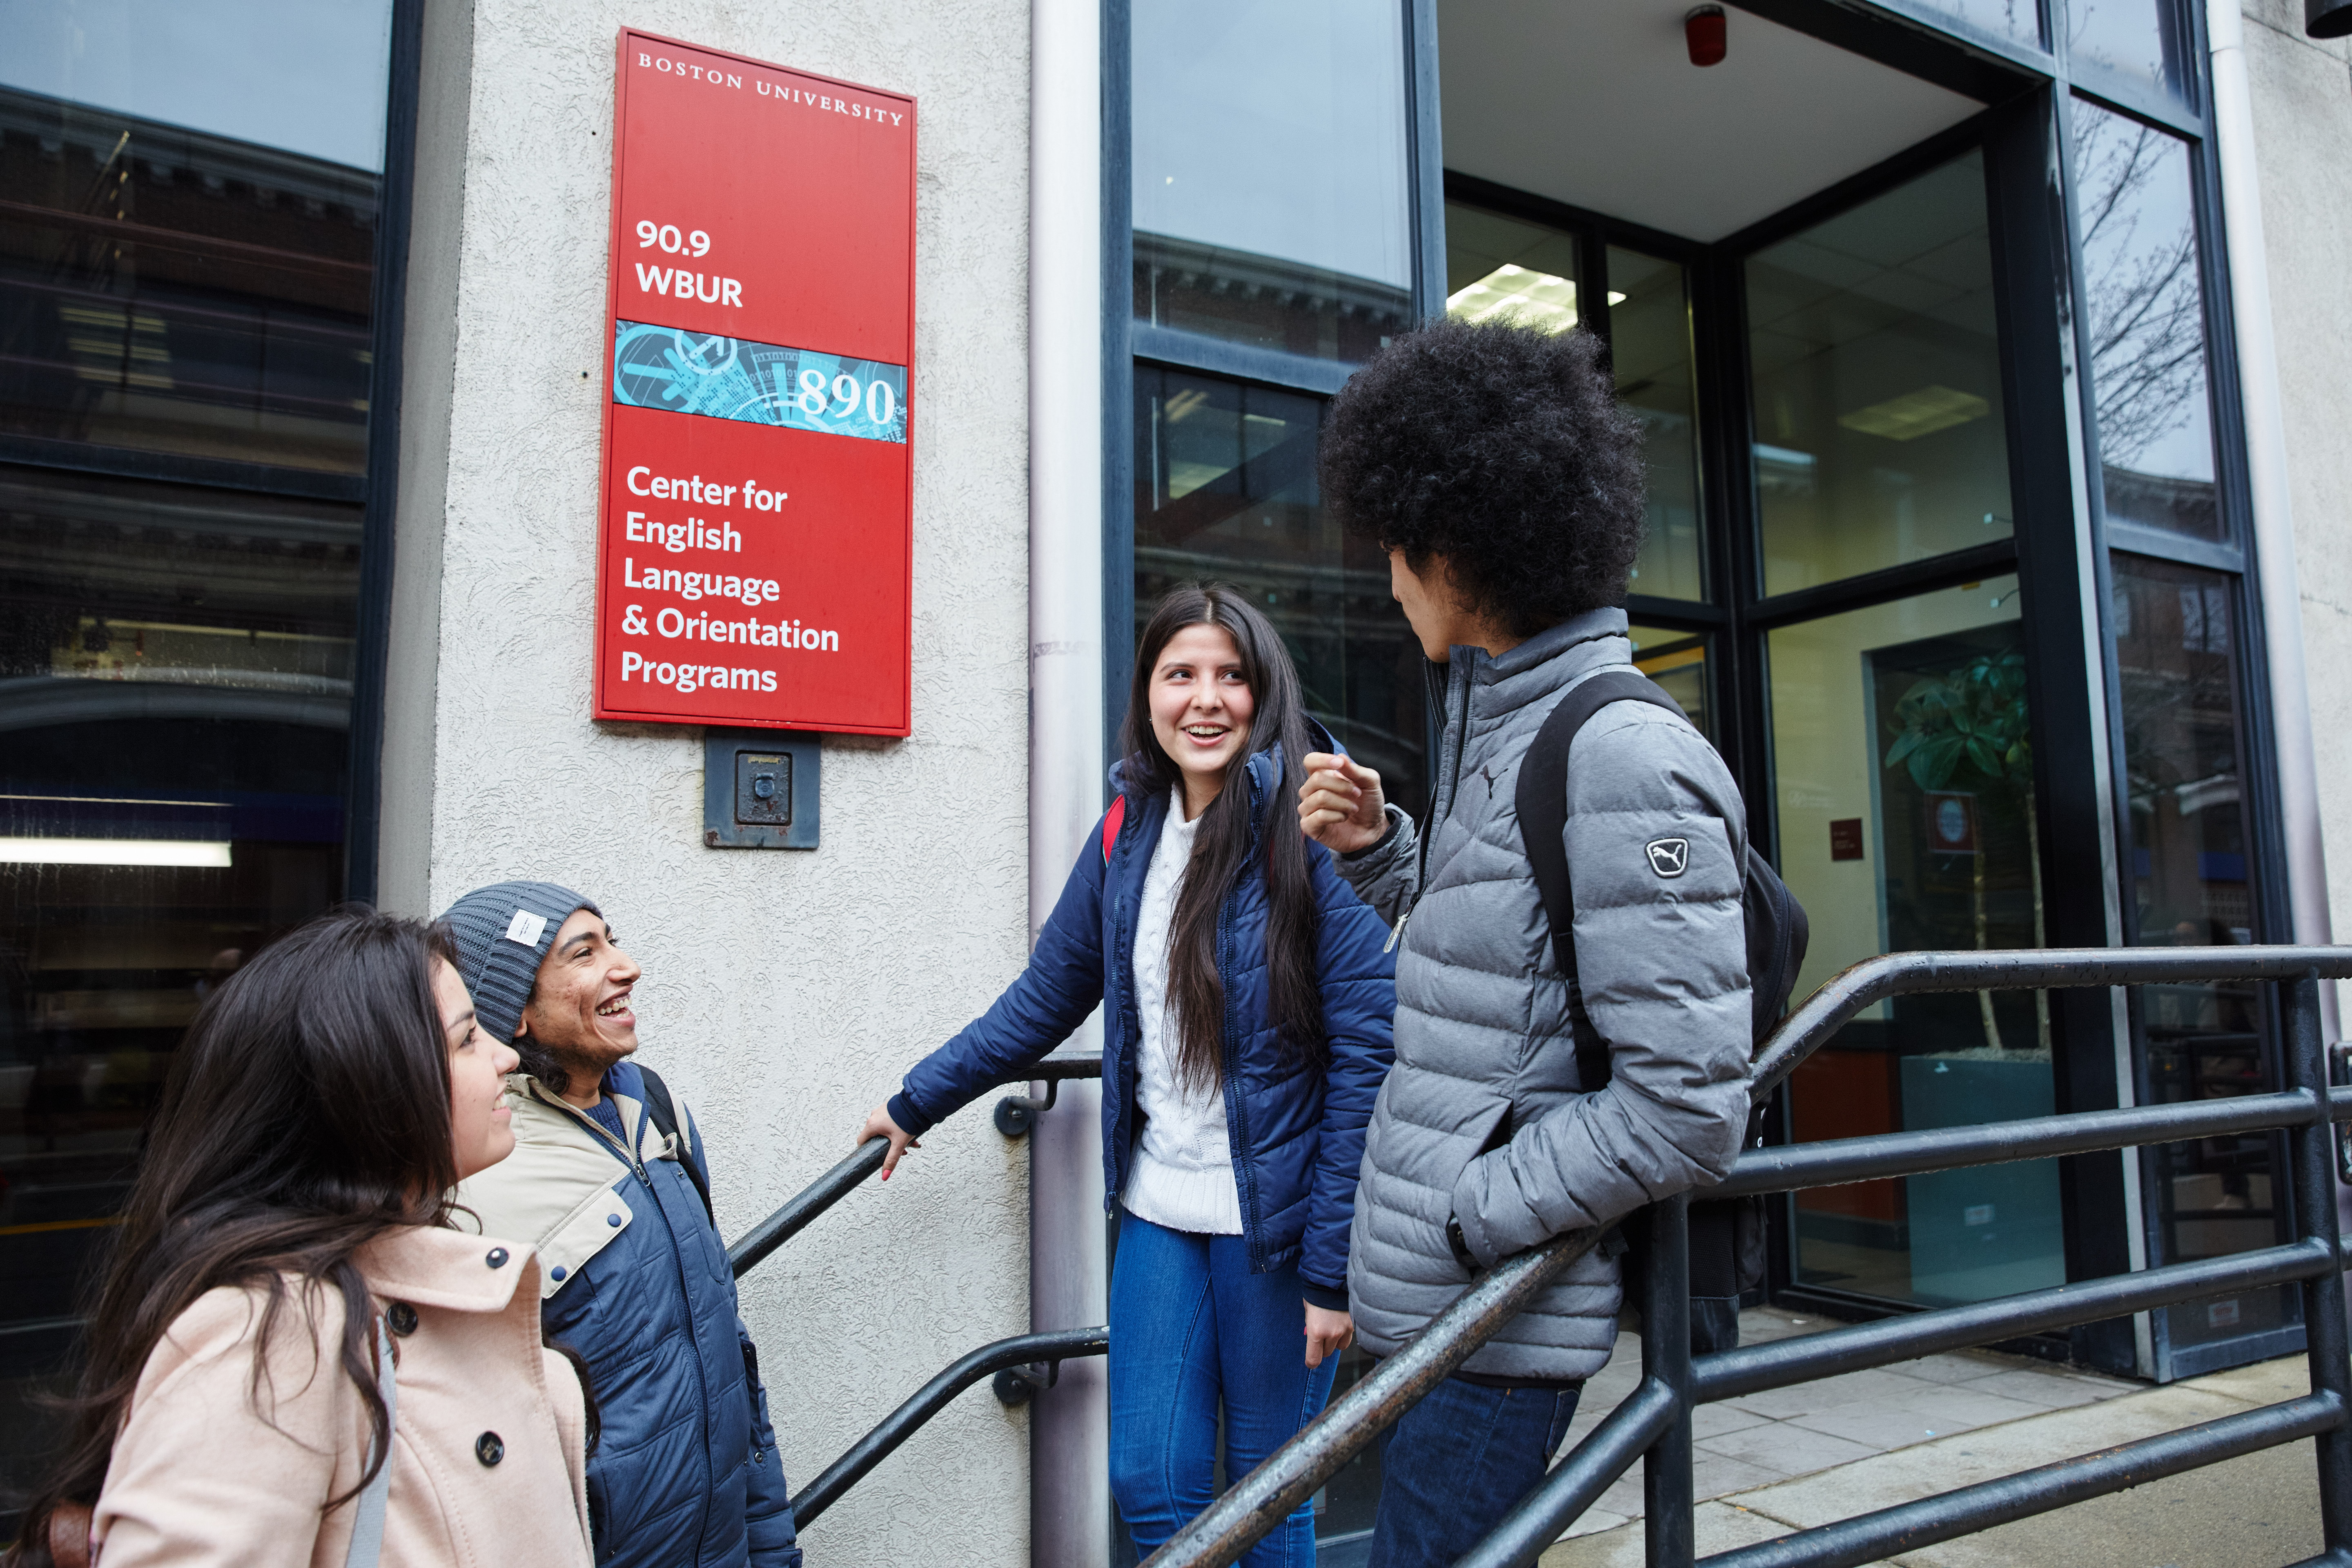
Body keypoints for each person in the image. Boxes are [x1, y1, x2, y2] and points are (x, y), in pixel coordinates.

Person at [1297, 317, 1754, 1565]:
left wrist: (1469, 1213)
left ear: (1450, 551)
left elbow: (1690, 1105)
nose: (1387, 585)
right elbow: (1498, 976)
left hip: (1501, 1319)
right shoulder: (1503, 727)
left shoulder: (1620, 756)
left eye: (1392, 552)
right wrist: (1386, 850)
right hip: (1456, 1311)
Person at [856, 585, 1396, 1566]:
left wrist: (1331, 1266)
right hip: (1160, 1210)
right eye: (1180, 674)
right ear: (1147, 694)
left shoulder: (1307, 832)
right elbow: (1043, 1000)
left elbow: (1370, 1052)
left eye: (1231, 676)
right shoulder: (1126, 834)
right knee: (1150, 1481)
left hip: (1277, 1228)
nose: (1206, 699)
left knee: (1273, 1493)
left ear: (1262, 691)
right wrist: (914, 1100)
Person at [9, 907, 593, 1568]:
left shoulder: (393, 1276)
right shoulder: (275, 1324)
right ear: (370, 1085)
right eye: (466, 1041)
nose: (506, 1056)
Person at [436, 883, 800, 1568]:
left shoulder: (657, 1108)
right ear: (514, 1013)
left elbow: (729, 1353)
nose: (625, 966)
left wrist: (769, 1539)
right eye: (584, 953)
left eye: (612, 939)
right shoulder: (473, 1173)